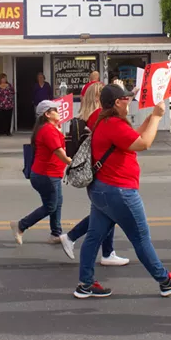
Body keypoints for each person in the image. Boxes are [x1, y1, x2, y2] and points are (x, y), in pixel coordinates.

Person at [74, 84, 171, 299]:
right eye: (127, 99)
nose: (130, 102)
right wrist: (157, 118)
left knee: (93, 237)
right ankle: (165, 281)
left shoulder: (105, 121)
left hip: (102, 190)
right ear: (118, 102)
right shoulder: (114, 124)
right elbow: (144, 143)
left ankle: (85, 284)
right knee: (140, 238)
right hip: (119, 191)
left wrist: (151, 117)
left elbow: (134, 137)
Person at [60, 82, 128, 266]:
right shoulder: (98, 115)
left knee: (105, 212)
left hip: (93, 169)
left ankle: (107, 252)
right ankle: (74, 238)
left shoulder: (85, 116)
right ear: (98, 97)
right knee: (109, 211)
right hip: (101, 171)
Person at [10, 100, 72, 248]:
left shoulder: (51, 128)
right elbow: (58, 151)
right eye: (55, 110)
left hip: (50, 174)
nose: (58, 112)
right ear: (47, 114)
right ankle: (20, 225)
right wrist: (72, 162)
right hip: (46, 175)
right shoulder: (48, 130)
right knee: (51, 206)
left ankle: (55, 233)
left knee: (57, 203)